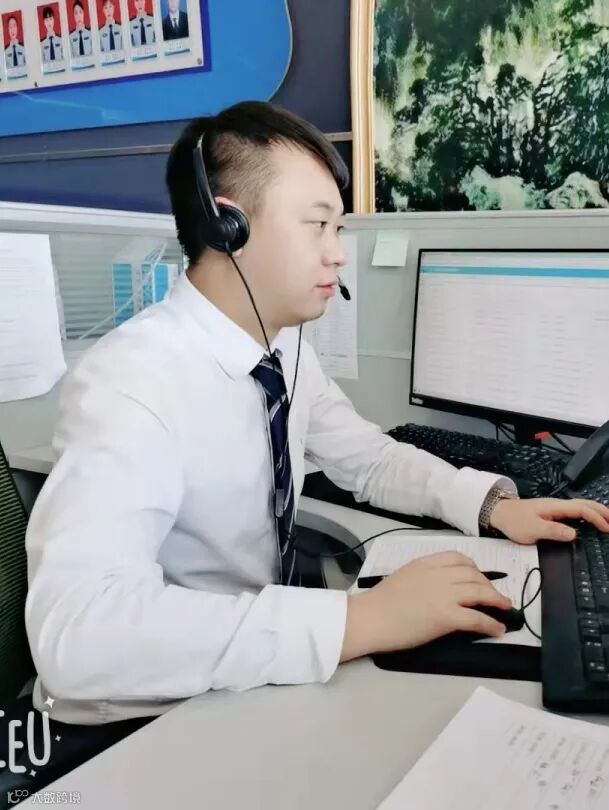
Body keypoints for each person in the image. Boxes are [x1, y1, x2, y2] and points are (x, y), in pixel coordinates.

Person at [25, 101, 609, 729]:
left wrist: (491, 506)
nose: (338, 255)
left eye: (339, 229)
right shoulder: (132, 381)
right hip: (148, 712)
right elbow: (80, 635)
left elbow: (368, 458)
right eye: (318, 226)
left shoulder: (281, 349)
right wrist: (364, 619)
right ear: (229, 227)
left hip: (249, 667)